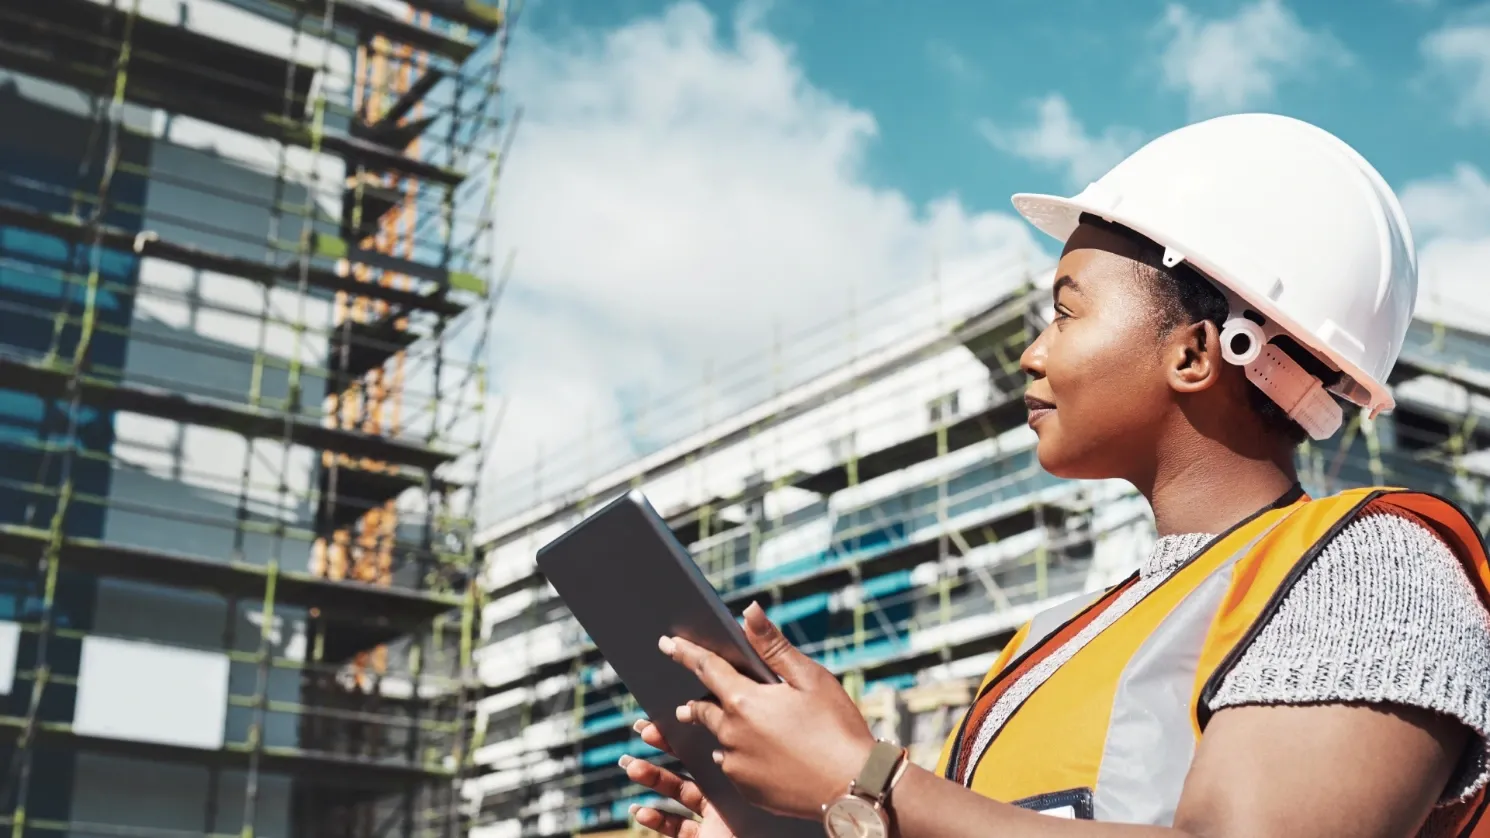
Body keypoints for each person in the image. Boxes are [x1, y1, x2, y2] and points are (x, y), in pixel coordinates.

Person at [619, 113, 1490, 837]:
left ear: (1195, 353)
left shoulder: (1378, 567)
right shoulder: (1043, 648)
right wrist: (815, 816)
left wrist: (868, 780)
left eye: (1067, 312)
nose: (1033, 354)